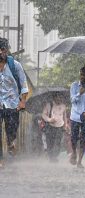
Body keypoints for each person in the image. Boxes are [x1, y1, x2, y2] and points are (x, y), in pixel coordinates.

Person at [0, 38, 28, 167]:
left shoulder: (15, 65)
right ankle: (1, 159)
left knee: (11, 131)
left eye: (3, 49)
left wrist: (22, 102)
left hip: (12, 105)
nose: (1, 52)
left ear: (6, 50)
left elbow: (24, 85)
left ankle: (11, 143)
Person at [41, 94, 68, 162]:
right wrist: (49, 119)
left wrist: (66, 125)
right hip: (50, 126)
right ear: (54, 98)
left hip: (60, 126)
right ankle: (51, 157)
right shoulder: (49, 105)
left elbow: (64, 116)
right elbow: (43, 114)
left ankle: (55, 156)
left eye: (60, 98)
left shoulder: (63, 106)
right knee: (50, 142)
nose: (59, 99)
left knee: (58, 142)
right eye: (57, 98)